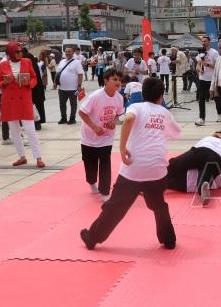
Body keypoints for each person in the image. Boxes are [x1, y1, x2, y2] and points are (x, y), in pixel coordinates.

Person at [80, 77, 179, 250]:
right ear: (161, 96)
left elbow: (128, 119)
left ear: (142, 94)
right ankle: (168, 239)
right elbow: (176, 133)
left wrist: (121, 146)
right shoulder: (165, 113)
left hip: (135, 166)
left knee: (116, 206)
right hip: (158, 168)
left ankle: (93, 237)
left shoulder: (136, 107)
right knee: (158, 205)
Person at [78, 68, 124, 202]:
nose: (118, 82)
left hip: (106, 138)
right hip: (89, 139)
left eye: (119, 80)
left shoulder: (119, 98)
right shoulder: (96, 96)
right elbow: (81, 112)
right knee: (90, 167)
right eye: (114, 79)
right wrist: (94, 126)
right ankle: (92, 182)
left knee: (105, 162)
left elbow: (118, 114)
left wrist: (114, 122)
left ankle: (105, 192)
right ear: (105, 80)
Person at [0, 41, 44, 168]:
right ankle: (22, 156)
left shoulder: (27, 62)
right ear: (10, 53)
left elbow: (35, 78)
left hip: (24, 99)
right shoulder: (2, 65)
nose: (20, 54)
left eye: (21, 51)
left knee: (30, 130)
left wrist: (28, 83)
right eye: (17, 51)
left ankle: (38, 157)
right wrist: (5, 82)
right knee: (14, 131)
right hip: (9, 100)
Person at [166, 133, 221, 205]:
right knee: (206, 174)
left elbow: (191, 152)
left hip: (200, 151)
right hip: (216, 158)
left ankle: (161, 174)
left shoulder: (208, 138)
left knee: (176, 163)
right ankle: (203, 184)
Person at [194, 36, 221, 127]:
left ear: (209, 42)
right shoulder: (200, 52)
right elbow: (198, 65)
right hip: (203, 78)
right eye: (202, 41)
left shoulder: (214, 53)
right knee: (201, 98)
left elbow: (218, 66)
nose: (203, 43)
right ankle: (202, 118)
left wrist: (208, 64)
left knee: (217, 98)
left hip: (212, 78)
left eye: (205, 41)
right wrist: (199, 69)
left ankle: (220, 114)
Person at [55, 46, 84, 125]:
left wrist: (79, 85)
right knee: (62, 104)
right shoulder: (62, 62)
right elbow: (57, 73)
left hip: (73, 88)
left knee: (73, 104)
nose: (67, 53)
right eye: (66, 51)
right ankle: (63, 118)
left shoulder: (76, 62)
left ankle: (72, 118)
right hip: (61, 88)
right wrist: (55, 83)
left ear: (73, 52)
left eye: (69, 51)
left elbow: (80, 75)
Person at [23, 47, 46, 130]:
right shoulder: (30, 57)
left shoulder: (27, 58)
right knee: (38, 105)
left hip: (32, 86)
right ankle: (38, 121)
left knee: (34, 105)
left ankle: (36, 122)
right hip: (36, 86)